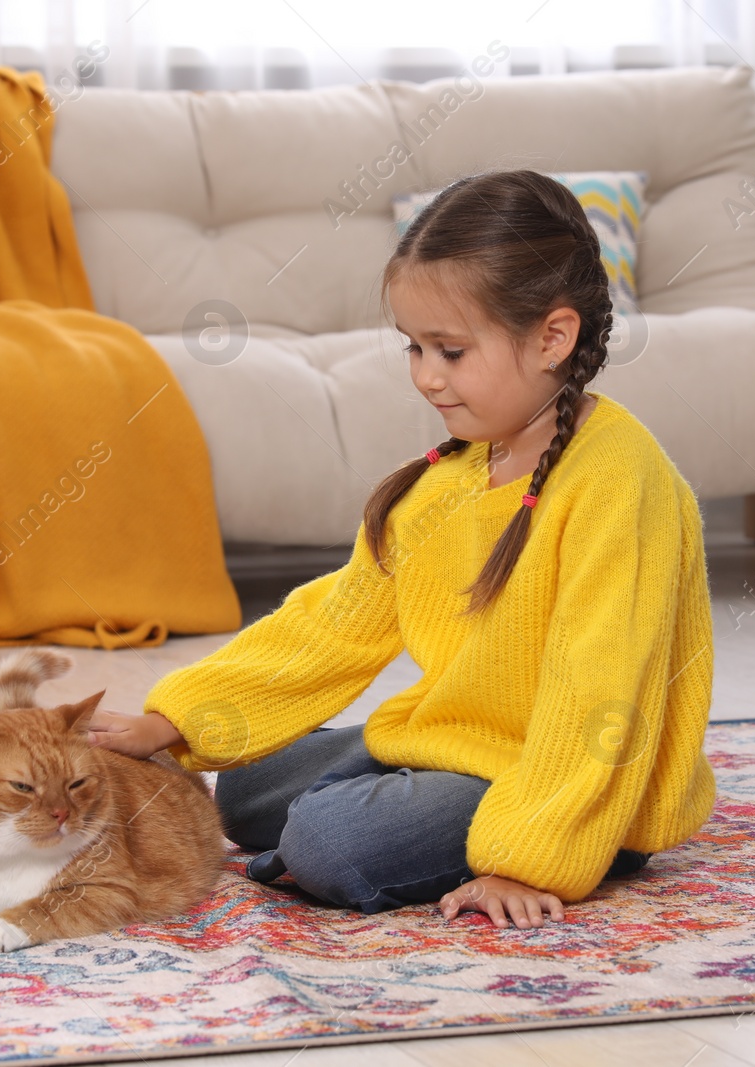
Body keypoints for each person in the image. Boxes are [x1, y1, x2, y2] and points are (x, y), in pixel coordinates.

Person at [88, 169, 714, 931]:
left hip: (577, 779)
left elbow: (601, 690)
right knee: (245, 783)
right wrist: (178, 719)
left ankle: (481, 828)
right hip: (465, 747)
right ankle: (384, 798)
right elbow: (331, 626)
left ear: (553, 336)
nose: (425, 376)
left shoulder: (621, 479)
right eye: (413, 347)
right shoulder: (447, 478)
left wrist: (524, 859)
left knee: (328, 840)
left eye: (450, 350)